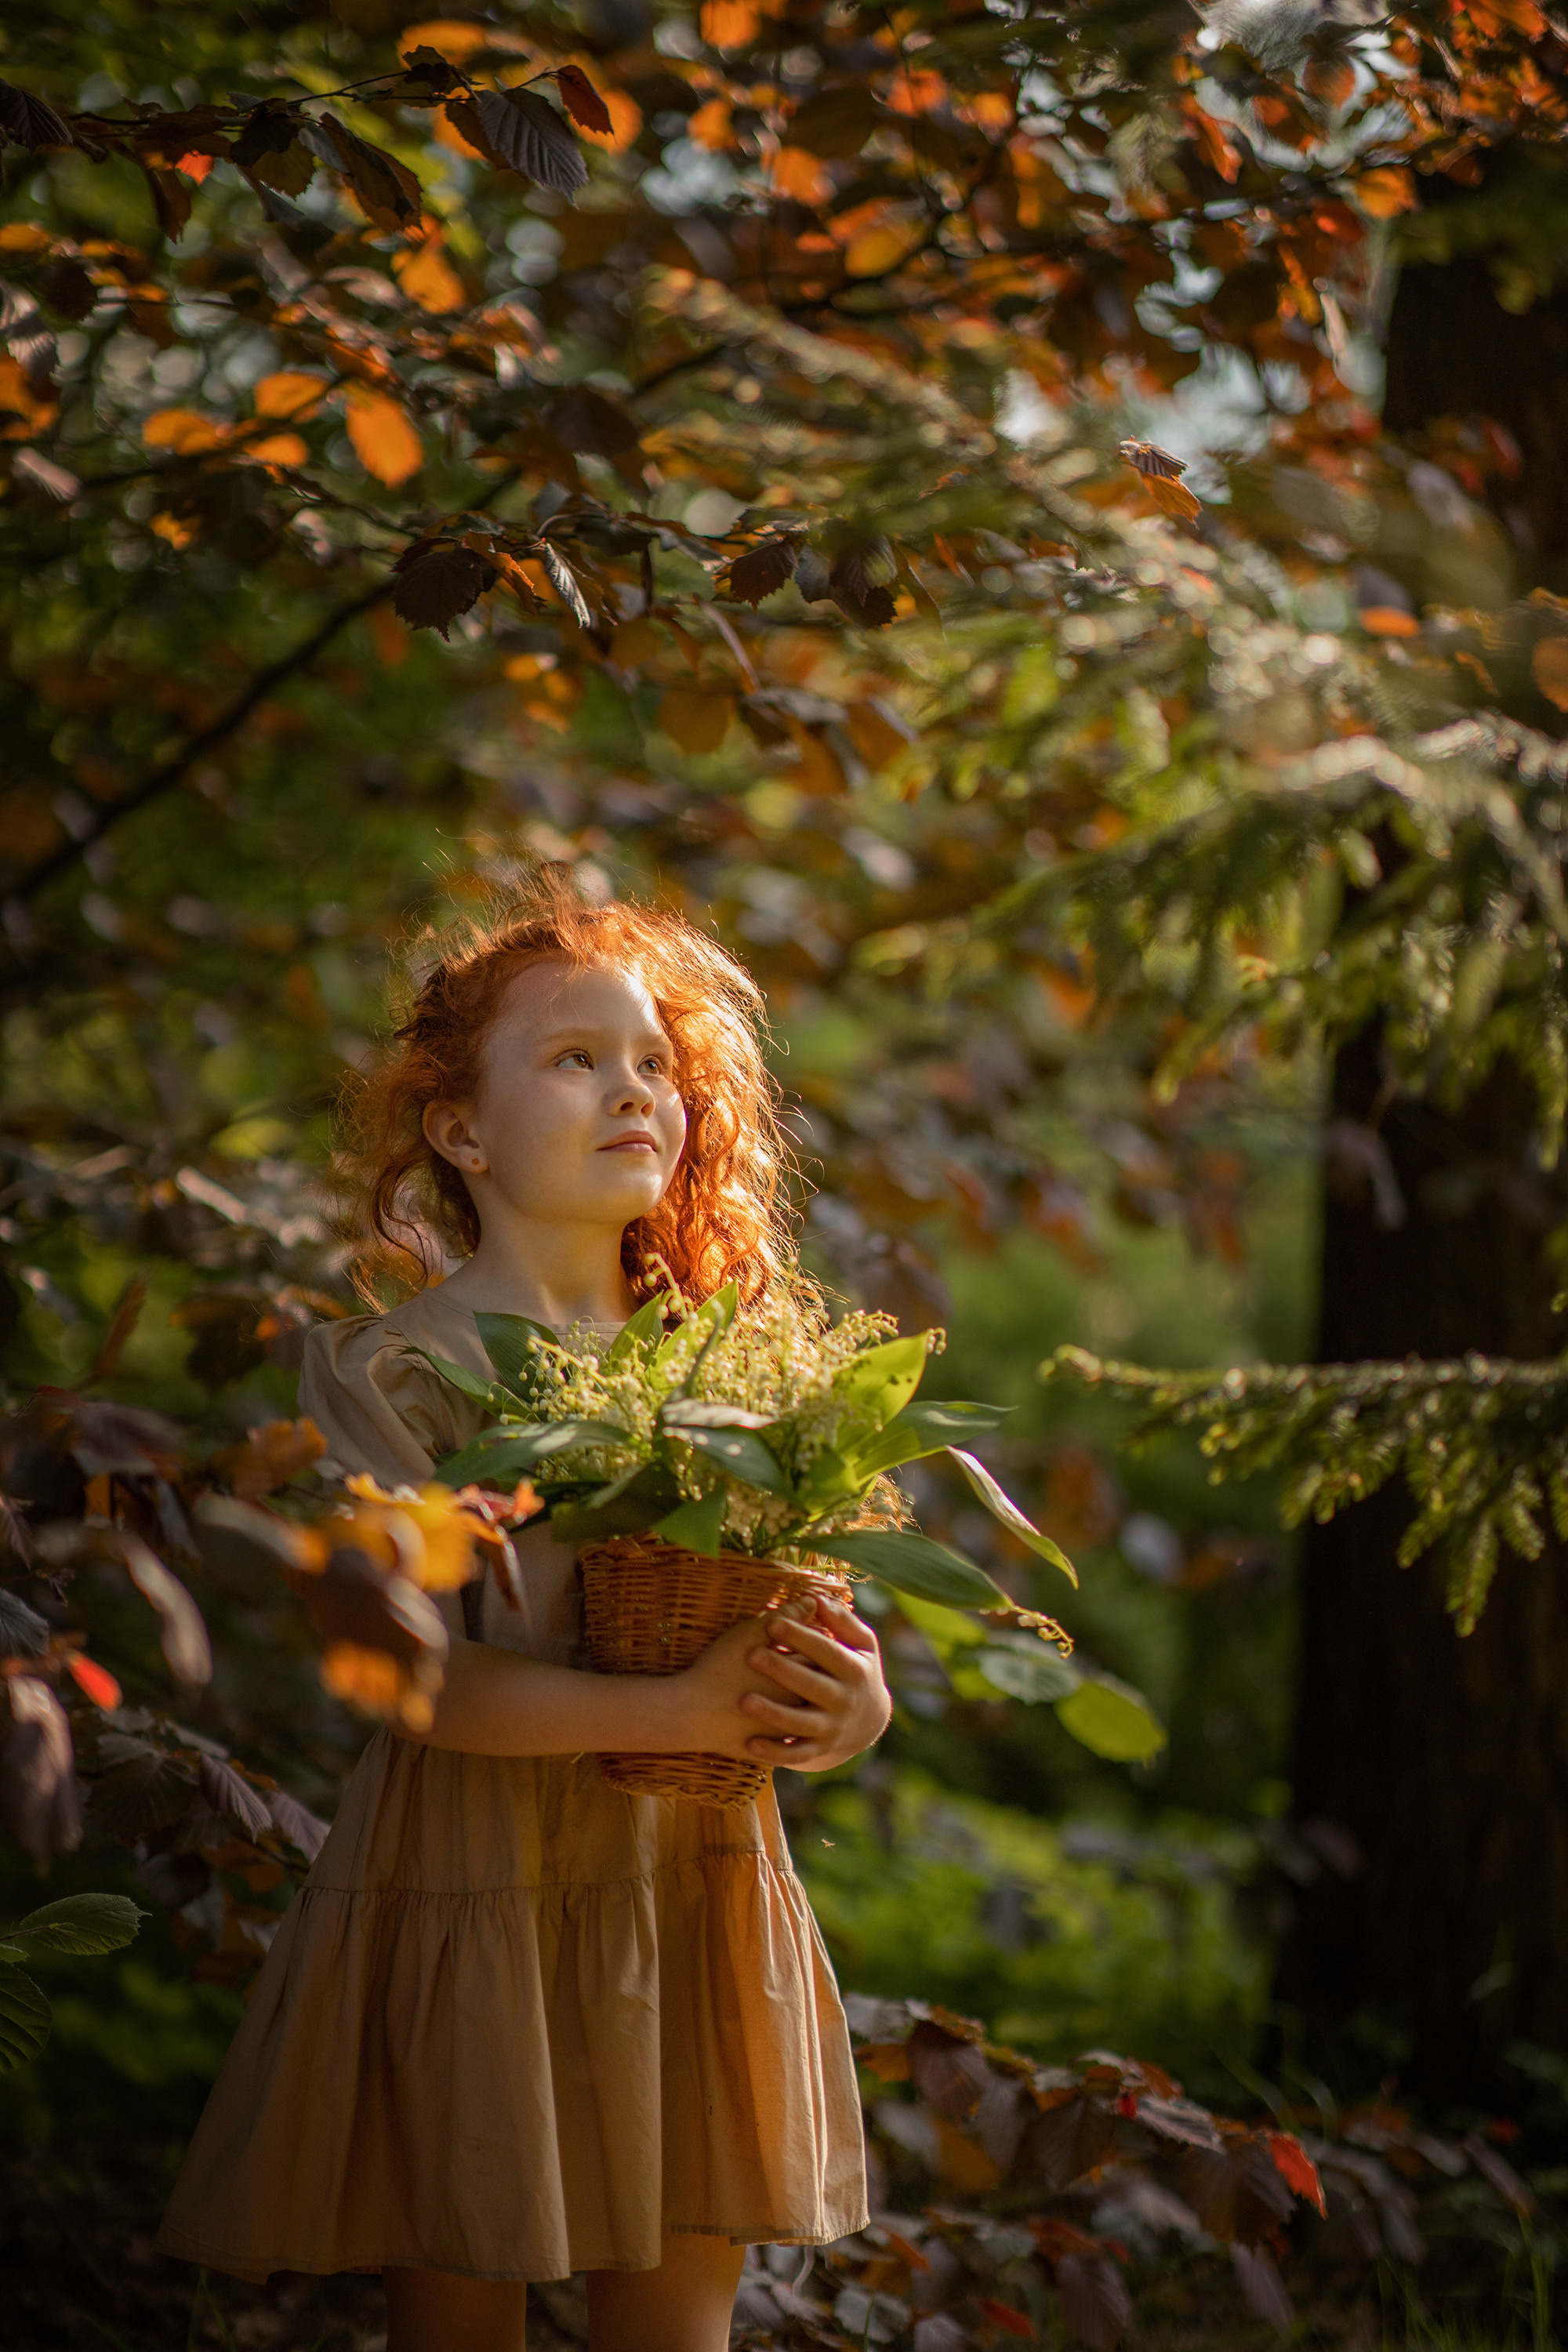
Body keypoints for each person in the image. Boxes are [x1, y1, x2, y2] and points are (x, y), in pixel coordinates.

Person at [156, 873, 891, 2352]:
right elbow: (415, 1685)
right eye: (576, 1058)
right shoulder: (394, 1375)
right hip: (470, 1892)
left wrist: (844, 1710)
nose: (636, 1090)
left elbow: (808, 1646)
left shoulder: (733, 1367)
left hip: (689, 1880)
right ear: (461, 1131)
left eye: (656, 1064)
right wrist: (682, 1710)